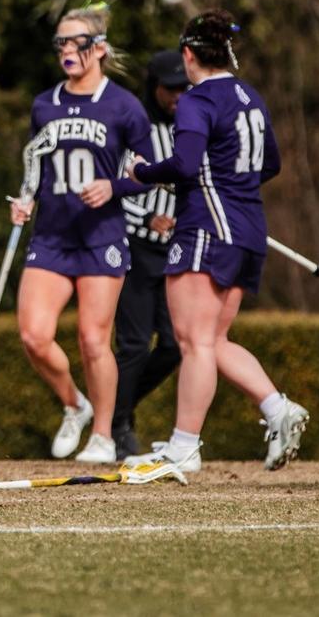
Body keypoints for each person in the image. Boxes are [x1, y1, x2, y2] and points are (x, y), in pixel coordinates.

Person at [125, 9, 309, 477]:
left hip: (207, 228)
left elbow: (185, 166)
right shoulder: (250, 96)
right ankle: (277, 408)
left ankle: (184, 446)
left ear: (189, 55)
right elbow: (271, 164)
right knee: (213, 339)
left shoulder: (196, 99)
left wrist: (142, 172)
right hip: (248, 229)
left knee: (193, 343)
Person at [11, 3, 154, 464]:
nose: (66, 51)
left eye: (76, 43)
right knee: (34, 336)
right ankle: (75, 404)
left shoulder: (124, 106)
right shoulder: (45, 104)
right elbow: (35, 161)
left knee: (95, 340)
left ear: (99, 49)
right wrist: (25, 198)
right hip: (52, 237)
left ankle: (105, 435)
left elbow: (153, 172)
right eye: (60, 43)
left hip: (102, 237)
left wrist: (114, 185)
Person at [111, 50, 189, 456]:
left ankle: (113, 408)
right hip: (137, 250)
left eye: (183, 87)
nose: (177, 95)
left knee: (176, 344)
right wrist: (148, 219)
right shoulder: (138, 127)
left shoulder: (193, 124)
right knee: (134, 344)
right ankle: (120, 425)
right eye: (170, 88)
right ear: (154, 87)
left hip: (179, 252)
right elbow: (119, 186)